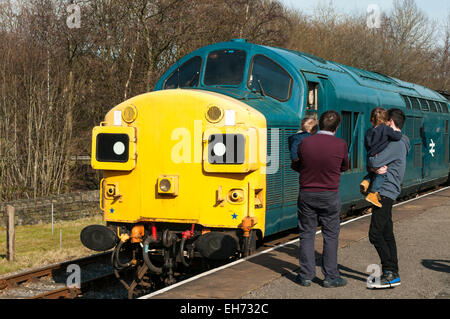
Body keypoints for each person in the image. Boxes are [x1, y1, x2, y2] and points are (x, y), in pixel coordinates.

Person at [292, 110, 349, 288]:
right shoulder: (340, 144)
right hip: (329, 195)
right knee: (331, 235)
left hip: (307, 194)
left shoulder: (305, 142)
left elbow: (297, 164)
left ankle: (306, 275)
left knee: (306, 234)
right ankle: (331, 276)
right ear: (337, 127)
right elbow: (345, 166)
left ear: (320, 125)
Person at [366, 108, 410, 289]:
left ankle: (390, 273)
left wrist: (372, 165)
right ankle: (392, 272)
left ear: (390, 122)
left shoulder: (396, 144)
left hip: (384, 192)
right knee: (387, 233)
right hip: (388, 191)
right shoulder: (402, 141)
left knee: (374, 235)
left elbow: (374, 162)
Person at [360, 108, 403, 208]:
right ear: (386, 120)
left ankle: (366, 181)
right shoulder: (385, 128)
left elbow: (367, 145)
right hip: (378, 157)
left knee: (373, 172)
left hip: (370, 156)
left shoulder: (369, 131)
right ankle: (373, 194)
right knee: (381, 173)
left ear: (371, 120)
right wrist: (398, 131)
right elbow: (396, 136)